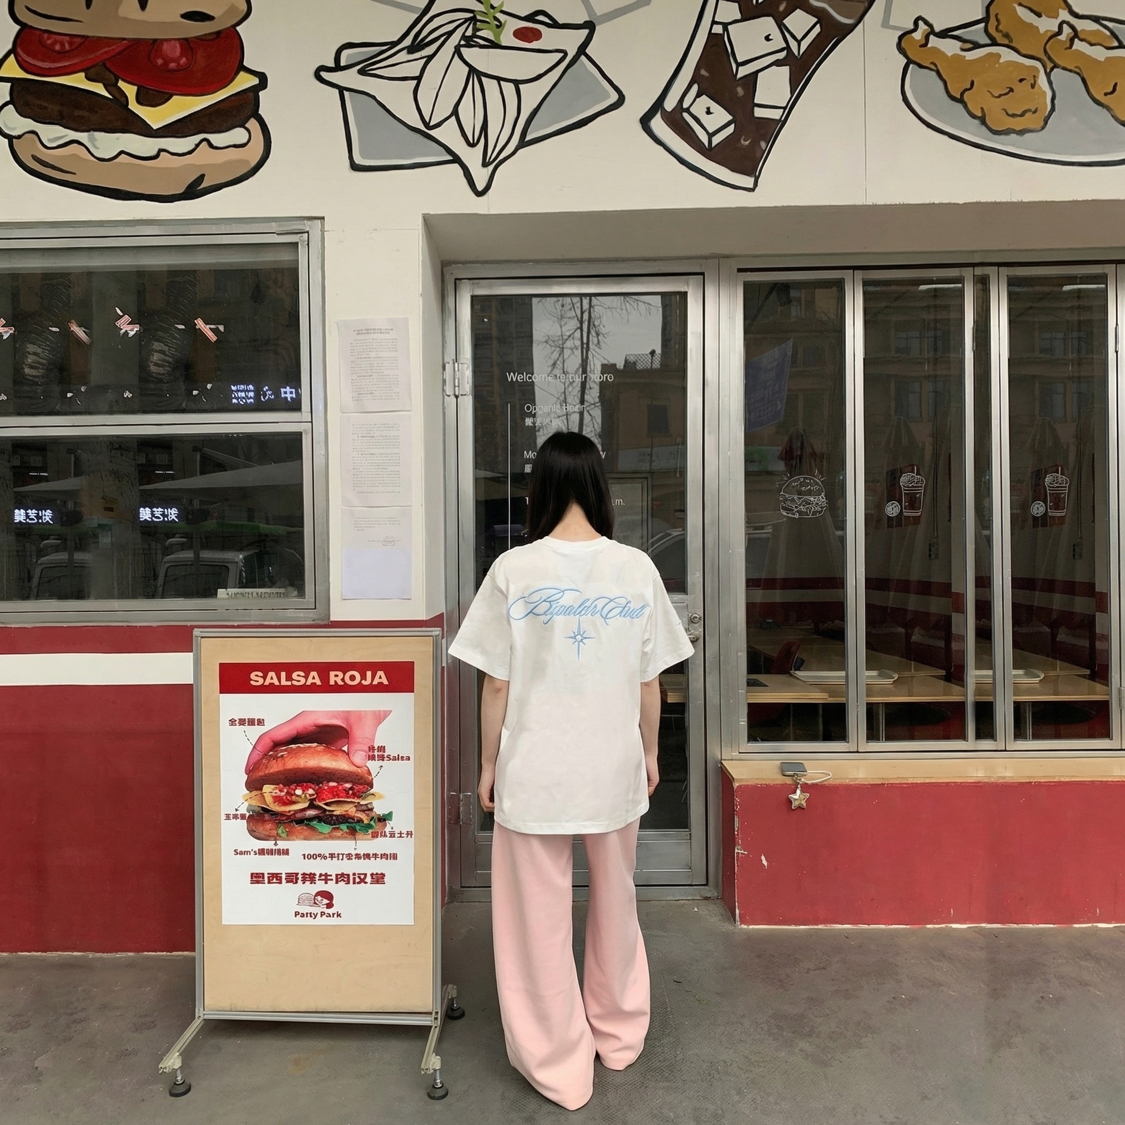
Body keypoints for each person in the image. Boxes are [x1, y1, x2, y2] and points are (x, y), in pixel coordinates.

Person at [448, 431, 694, 1111]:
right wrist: (650, 753)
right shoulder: (635, 568)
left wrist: (487, 763)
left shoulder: (513, 569)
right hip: (612, 765)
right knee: (616, 903)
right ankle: (618, 1035)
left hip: (535, 768)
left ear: (540, 490)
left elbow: (496, 684)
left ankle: (558, 1065)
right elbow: (651, 682)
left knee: (535, 920)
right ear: (598, 487)